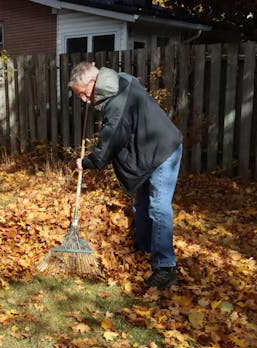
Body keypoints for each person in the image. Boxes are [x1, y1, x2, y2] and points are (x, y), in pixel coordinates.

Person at [69, 61, 183, 289]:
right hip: (147, 152)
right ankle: (143, 248)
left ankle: (165, 268)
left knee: (158, 207)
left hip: (162, 151)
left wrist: (87, 162)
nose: (84, 100)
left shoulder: (116, 103)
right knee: (141, 205)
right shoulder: (119, 80)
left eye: (83, 94)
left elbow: (109, 143)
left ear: (93, 83)